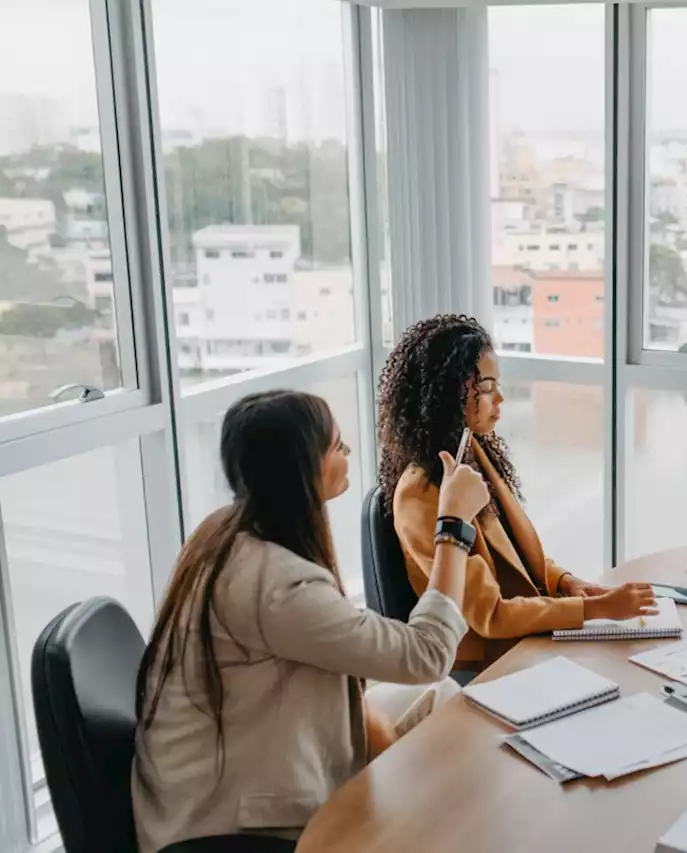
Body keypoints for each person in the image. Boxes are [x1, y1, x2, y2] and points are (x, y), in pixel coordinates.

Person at [132, 390, 488, 853]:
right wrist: (453, 526)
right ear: (303, 469)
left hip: (238, 763)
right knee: (439, 704)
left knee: (441, 701)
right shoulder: (277, 584)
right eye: (337, 446)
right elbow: (428, 653)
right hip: (227, 822)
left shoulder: (227, 532)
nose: (349, 453)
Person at [379, 314, 656, 673]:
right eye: (487, 387)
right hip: (483, 664)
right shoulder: (423, 492)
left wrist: (566, 583)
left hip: (521, 640)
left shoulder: (474, 451)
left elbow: (517, 556)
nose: (501, 398)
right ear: (449, 393)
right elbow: (490, 616)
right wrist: (596, 610)